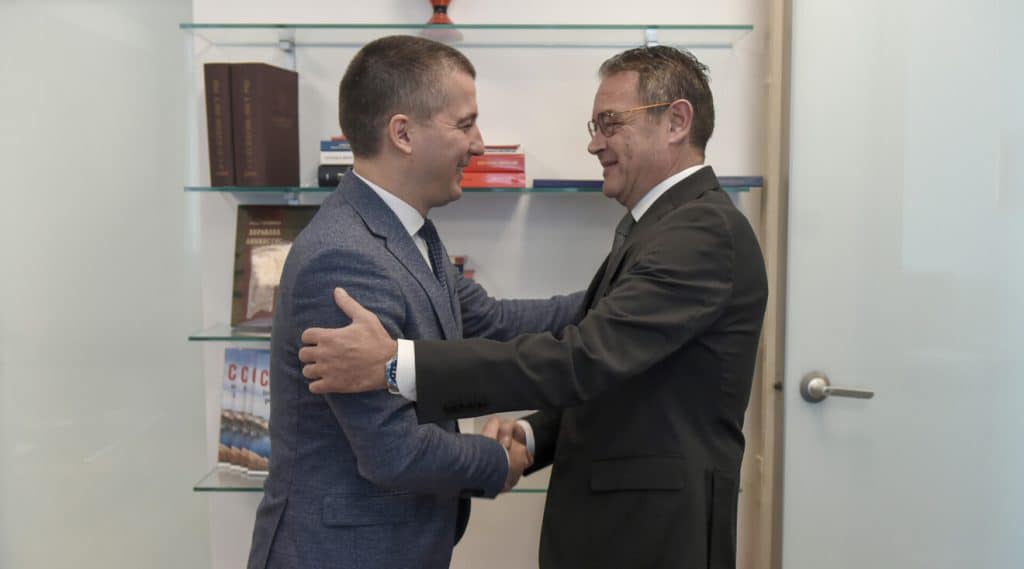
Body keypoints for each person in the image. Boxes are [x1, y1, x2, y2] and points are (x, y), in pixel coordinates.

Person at [298, 45, 768, 569]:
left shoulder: (700, 230)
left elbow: (584, 357)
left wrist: (395, 365)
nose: (594, 143)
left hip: (654, 538)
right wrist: (525, 438)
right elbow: (586, 353)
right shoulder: (351, 252)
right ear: (402, 134)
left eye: (610, 123)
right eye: (466, 125)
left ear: (677, 121)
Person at [246, 35, 584, 569]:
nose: (479, 145)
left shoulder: (410, 231)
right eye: (465, 124)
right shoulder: (342, 258)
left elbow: (493, 321)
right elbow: (394, 451)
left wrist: (616, 297)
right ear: (402, 133)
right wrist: (501, 457)